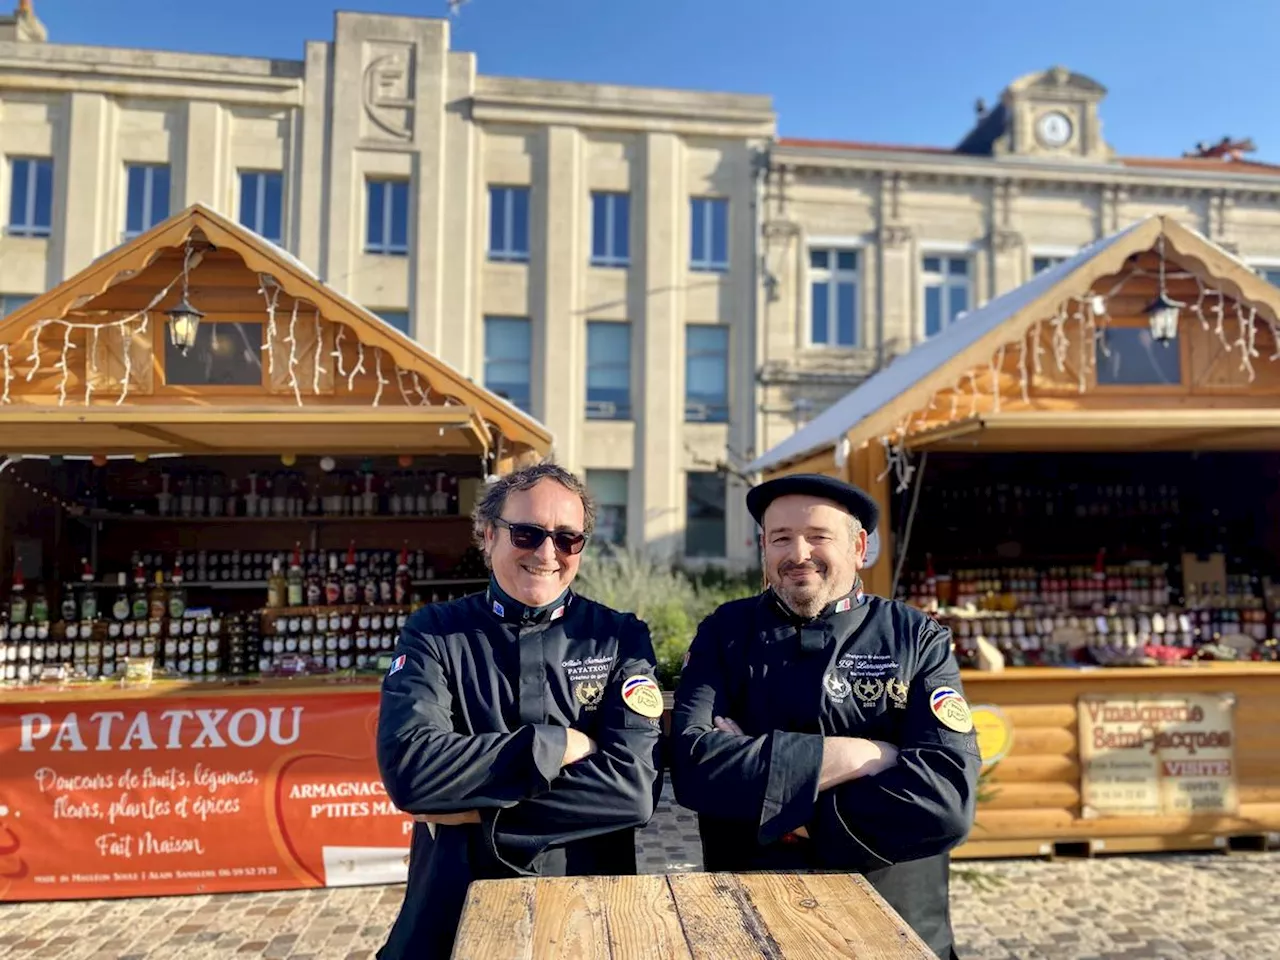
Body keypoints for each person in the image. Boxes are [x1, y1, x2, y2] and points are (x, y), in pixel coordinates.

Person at [670, 473, 979, 960]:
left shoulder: (916, 638)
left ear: (858, 546)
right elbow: (692, 768)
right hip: (754, 916)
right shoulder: (724, 633)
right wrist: (864, 755)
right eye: (781, 538)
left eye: (818, 536)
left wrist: (777, 799)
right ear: (763, 549)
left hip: (893, 920)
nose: (798, 553)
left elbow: (946, 801)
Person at [376, 462, 664, 959]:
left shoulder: (619, 637)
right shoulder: (434, 633)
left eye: (567, 539)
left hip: (587, 908)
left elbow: (634, 792)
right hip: (452, 906)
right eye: (527, 534)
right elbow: (411, 772)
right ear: (487, 536)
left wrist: (470, 809)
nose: (547, 553)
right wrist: (561, 744)